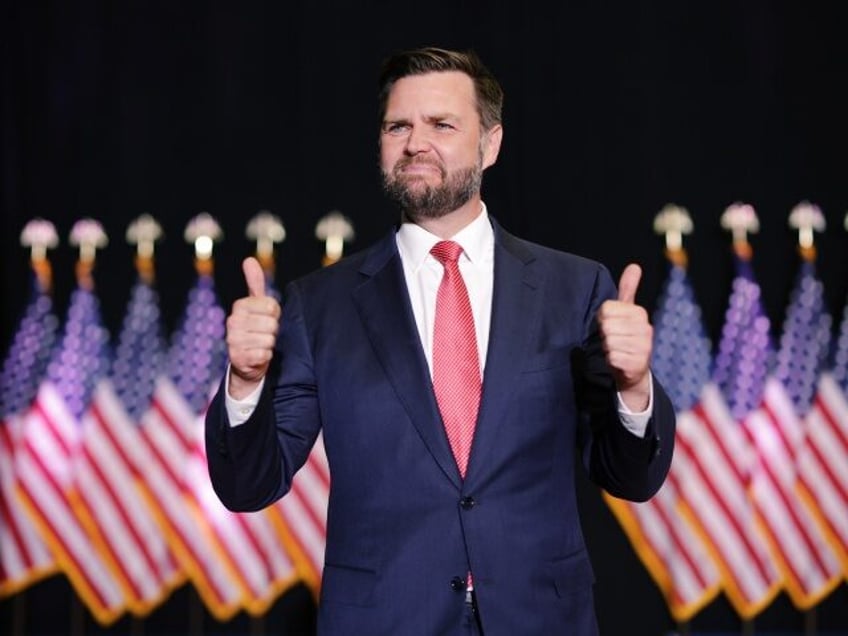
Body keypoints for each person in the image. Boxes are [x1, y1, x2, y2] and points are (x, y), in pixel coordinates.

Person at [205, 46, 675, 635]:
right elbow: (248, 485)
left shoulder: (574, 288)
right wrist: (246, 384)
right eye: (397, 125)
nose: (414, 142)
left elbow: (631, 477)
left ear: (491, 144)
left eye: (441, 124)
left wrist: (634, 388)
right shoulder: (319, 305)